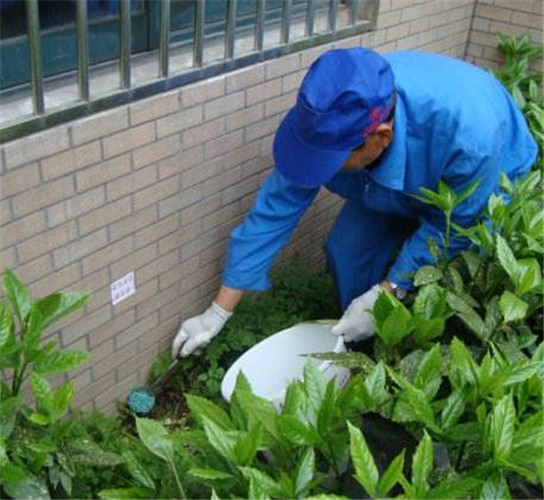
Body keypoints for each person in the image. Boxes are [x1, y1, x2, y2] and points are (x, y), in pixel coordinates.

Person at [171, 47, 537, 359]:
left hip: (483, 169)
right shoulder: (324, 117)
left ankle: (406, 345)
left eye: (328, 163)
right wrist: (217, 313)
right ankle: (359, 342)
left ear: (381, 137)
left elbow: (452, 228)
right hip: (393, 171)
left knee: (450, 274)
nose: (317, 168)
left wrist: (390, 291)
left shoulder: (470, 136)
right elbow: (274, 212)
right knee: (346, 248)